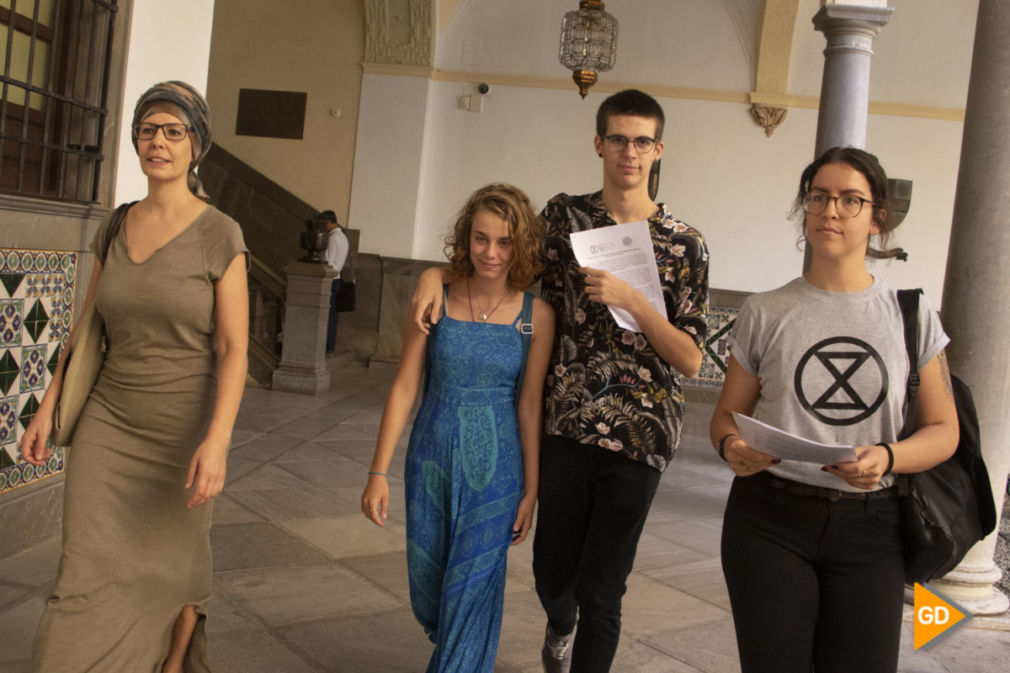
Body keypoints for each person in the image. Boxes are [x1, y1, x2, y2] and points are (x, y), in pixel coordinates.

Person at [411, 89, 709, 673]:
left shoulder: (684, 243)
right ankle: (559, 621)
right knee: (552, 570)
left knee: (606, 587)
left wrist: (636, 304)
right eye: (618, 138)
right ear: (599, 143)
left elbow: (692, 359)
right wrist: (432, 274)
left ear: (658, 149)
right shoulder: (565, 217)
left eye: (642, 141)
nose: (629, 151)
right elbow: (501, 269)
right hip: (567, 422)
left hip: (641, 434)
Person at [20, 81, 249, 673]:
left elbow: (234, 348)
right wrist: (47, 408)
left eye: (174, 131)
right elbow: (84, 329)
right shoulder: (116, 225)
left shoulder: (220, 233)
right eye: (148, 130)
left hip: (183, 432)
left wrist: (218, 441)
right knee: (83, 574)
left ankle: (171, 660)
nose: (159, 142)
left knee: (172, 566)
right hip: (109, 424)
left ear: (196, 145)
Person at [710, 147, 958, 673]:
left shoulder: (909, 316)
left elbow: (944, 431)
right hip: (769, 519)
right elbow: (725, 417)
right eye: (819, 197)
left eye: (851, 200)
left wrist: (887, 457)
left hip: (872, 527)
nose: (831, 211)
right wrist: (732, 446)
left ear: (877, 218)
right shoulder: (765, 310)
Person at [361, 183, 554, 672]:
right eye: (481, 238)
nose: (491, 252)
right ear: (466, 239)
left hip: (497, 473)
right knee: (430, 591)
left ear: (522, 245)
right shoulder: (435, 300)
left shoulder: (537, 316)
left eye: (505, 241)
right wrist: (377, 471)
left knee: (470, 593)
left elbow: (530, 406)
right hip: (431, 462)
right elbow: (405, 385)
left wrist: (532, 488)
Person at [321, 209, 349, 355]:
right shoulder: (343, 237)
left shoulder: (333, 238)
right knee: (332, 316)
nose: (323, 228)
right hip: (337, 279)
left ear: (329, 222)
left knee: (328, 315)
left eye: (324, 224)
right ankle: (330, 345)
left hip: (330, 281)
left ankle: (327, 346)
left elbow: (328, 261)